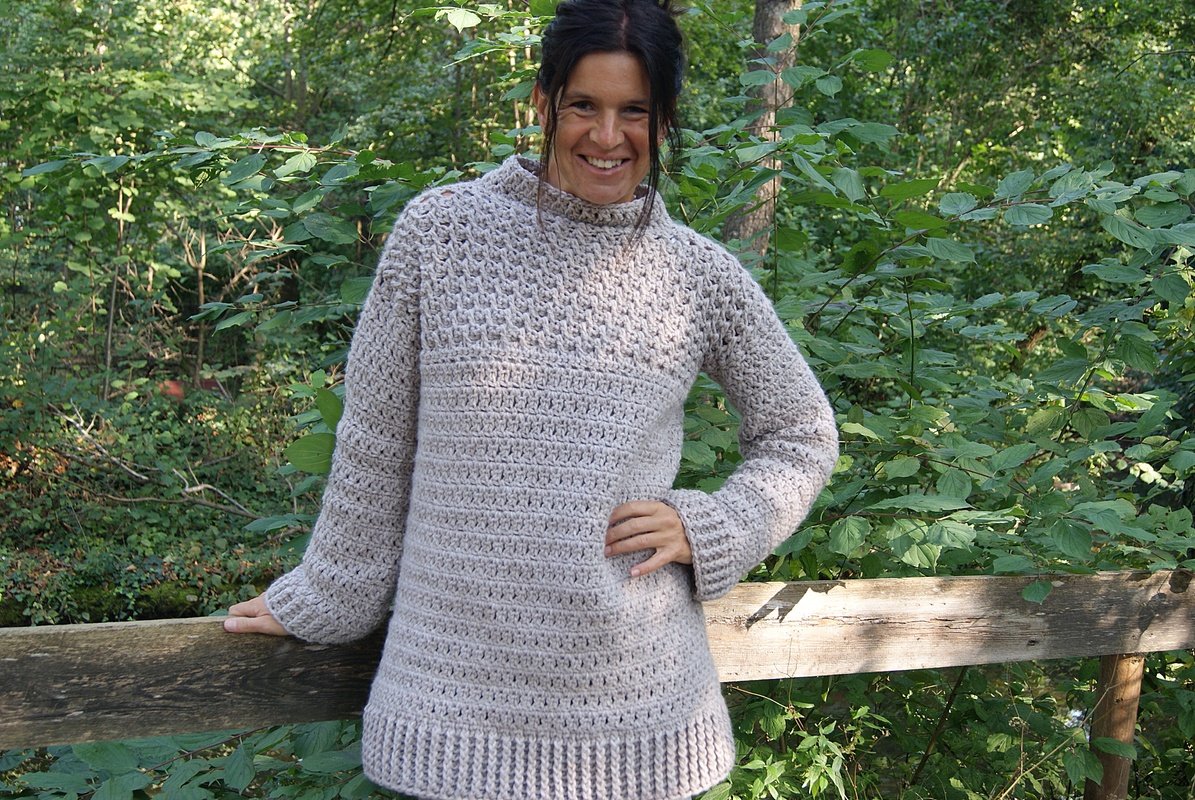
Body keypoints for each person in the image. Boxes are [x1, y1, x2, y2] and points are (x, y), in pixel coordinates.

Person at [224, 1, 838, 798]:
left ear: (663, 120)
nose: (607, 136)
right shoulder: (439, 234)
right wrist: (329, 594)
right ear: (543, 102)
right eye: (583, 104)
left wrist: (712, 525)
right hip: (448, 700)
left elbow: (801, 432)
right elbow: (377, 440)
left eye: (634, 111)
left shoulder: (697, 276)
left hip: (634, 710)